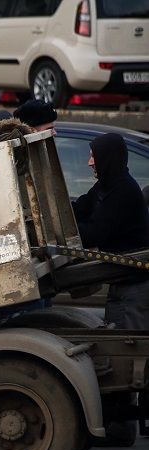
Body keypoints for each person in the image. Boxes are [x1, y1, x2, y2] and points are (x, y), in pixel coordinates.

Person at [72, 132, 149, 329]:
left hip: (134, 284)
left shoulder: (124, 191)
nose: (89, 162)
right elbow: (80, 207)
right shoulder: (107, 184)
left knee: (126, 346)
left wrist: (63, 236)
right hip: (121, 280)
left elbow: (96, 232)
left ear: (107, 158)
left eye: (93, 157)